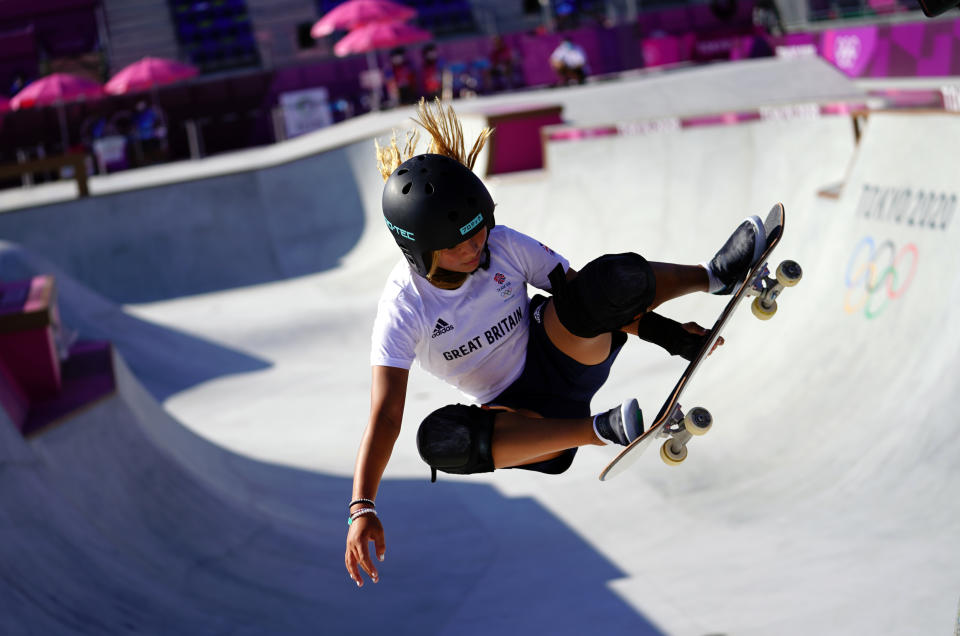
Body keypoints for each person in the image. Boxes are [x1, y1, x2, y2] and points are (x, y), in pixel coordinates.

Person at [345, 99, 769, 588]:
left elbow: (592, 302)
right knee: (439, 440)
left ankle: (713, 276)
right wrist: (361, 506)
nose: (474, 246)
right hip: (527, 424)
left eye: (477, 230)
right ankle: (601, 430)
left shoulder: (503, 244)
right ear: (420, 252)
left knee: (607, 278)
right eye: (457, 246)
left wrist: (671, 336)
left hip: (566, 354)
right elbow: (385, 416)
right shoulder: (404, 308)